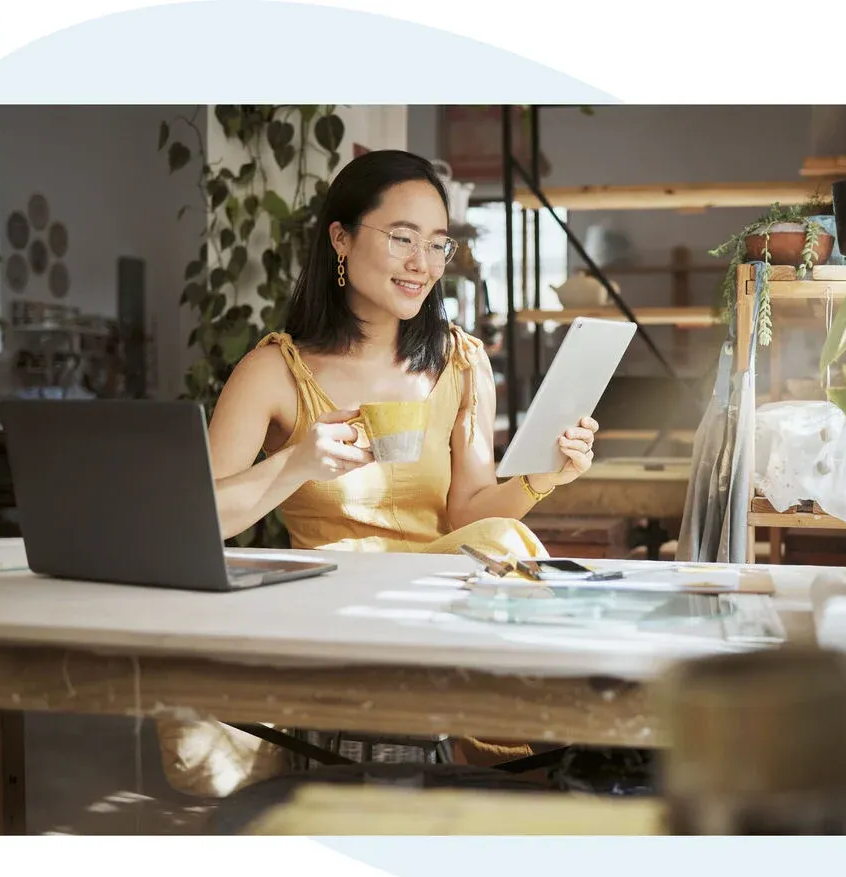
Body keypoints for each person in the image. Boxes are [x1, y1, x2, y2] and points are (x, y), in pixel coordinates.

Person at [156, 149, 600, 797]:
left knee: (502, 545)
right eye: (401, 239)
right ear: (340, 238)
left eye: (438, 244)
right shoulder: (275, 371)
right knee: (196, 737)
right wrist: (294, 463)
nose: (423, 263)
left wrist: (545, 475)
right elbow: (195, 522)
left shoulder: (461, 363)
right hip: (331, 603)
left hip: (438, 605)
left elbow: (468, 514)